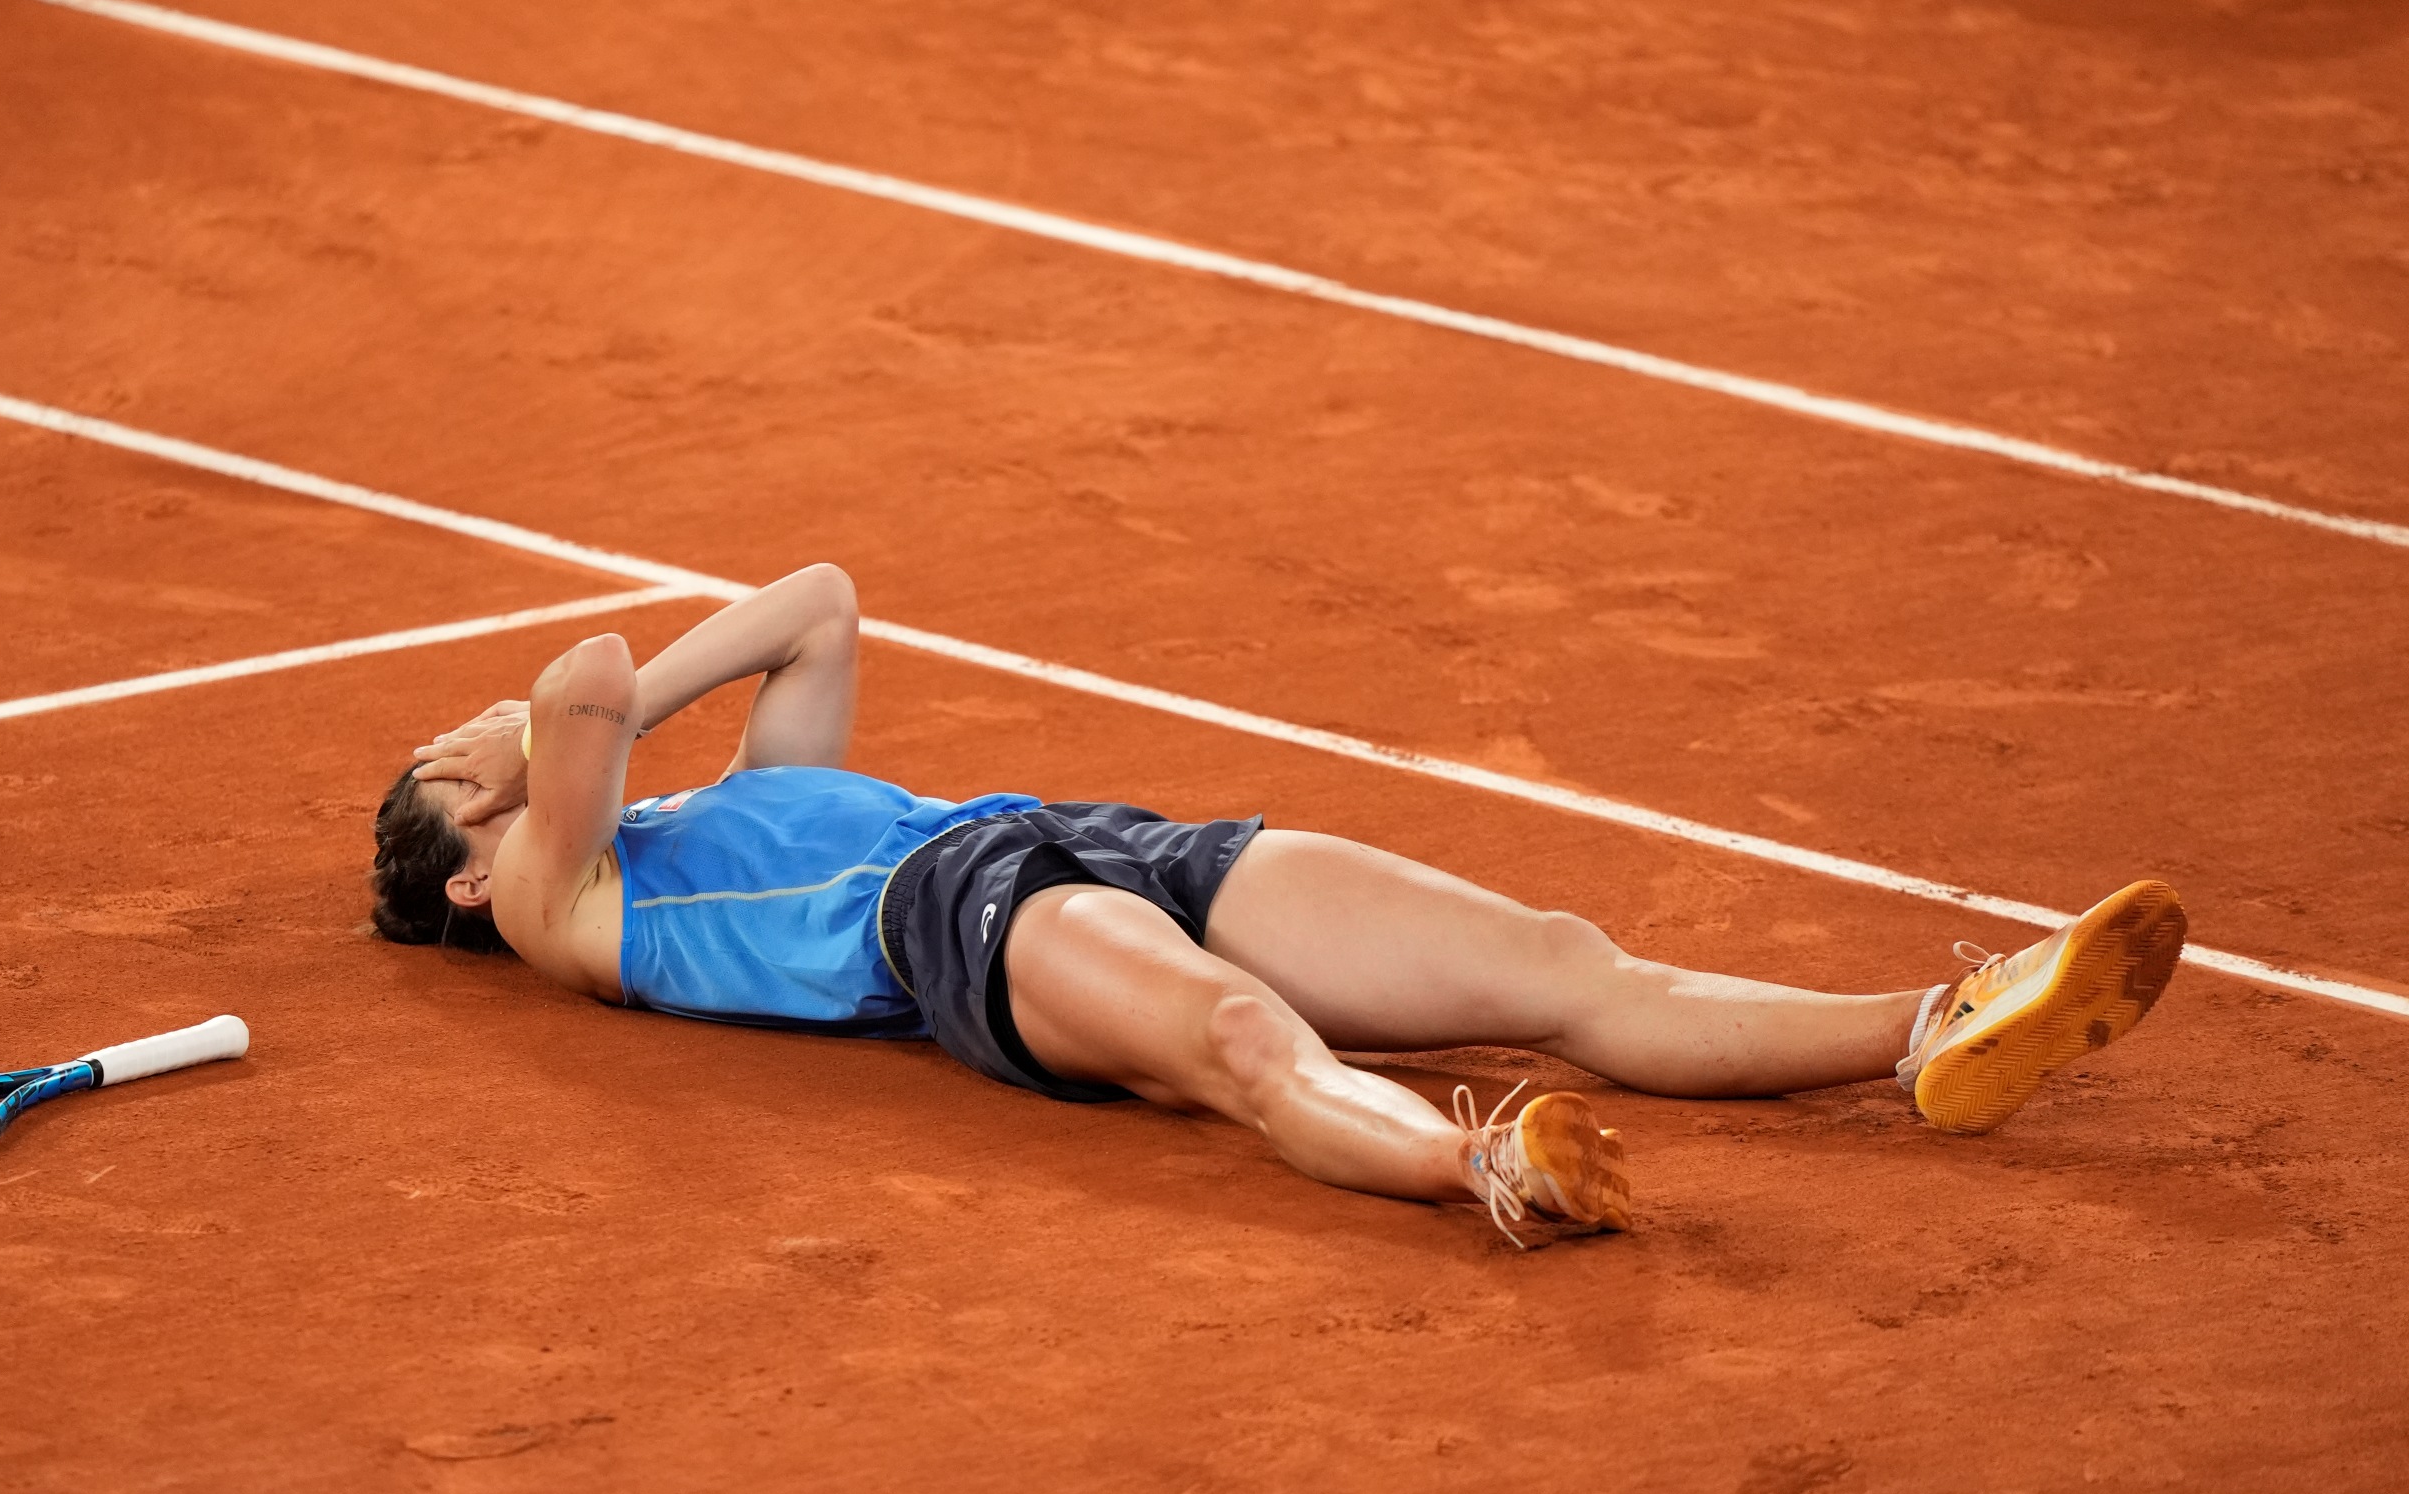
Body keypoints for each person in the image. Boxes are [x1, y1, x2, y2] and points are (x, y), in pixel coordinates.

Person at [370, 566, 2184, 1242]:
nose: (474, 747)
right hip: (954, 924)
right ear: (467, 863)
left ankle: (1932, 1029)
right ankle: (1491, 1173)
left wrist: (569, 739)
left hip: (1084, 839)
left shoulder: (692, 811)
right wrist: (520, 751)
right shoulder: (546, 897)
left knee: (1557, 964)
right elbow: (591, 680)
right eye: (450, 774)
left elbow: (821, 604)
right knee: (1247, 1044)